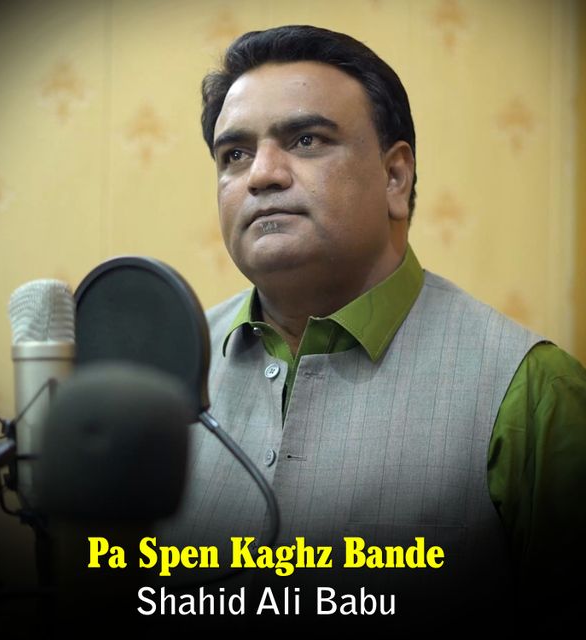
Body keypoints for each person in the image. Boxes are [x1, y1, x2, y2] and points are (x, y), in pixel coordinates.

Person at [163, 25, 586, 631]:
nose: (262, 175)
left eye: (306, 140)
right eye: (235, 154)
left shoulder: (533, 391)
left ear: (395, 177)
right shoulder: (165, 372)